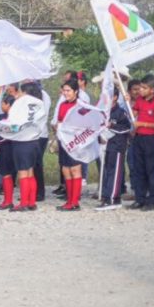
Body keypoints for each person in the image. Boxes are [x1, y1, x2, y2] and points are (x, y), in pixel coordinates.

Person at [0, 82, 46, 212]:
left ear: (25, 92)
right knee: (30, 172)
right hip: (34, 141)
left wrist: (0, 128)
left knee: (23, 173)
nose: (18, 95)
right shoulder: (39, 104)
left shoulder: (22, 104)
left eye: (20, 92)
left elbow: (14, 124)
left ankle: (23, 203)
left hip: (22, 142)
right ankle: (31, 202)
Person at [130, 74, 154, 211]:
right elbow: (134, 113)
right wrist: (130, 105)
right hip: (138, 137)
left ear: (152, 89)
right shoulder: (139, 99)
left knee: (151, 169)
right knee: (139, 169)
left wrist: (143, 123)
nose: (140, 91)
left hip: (150, 139)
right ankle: (140, 199)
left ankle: (152, 200)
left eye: (144, 88)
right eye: (140, 88)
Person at [97, 89, 131, 211]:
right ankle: (108, 196)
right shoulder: (102, 112)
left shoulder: (120, 112)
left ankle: (112, 198)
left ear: (115, 97)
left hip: (117, 146)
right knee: (107, 172)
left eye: (109, 97)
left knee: (115, 172)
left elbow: (127, 128)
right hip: (105, 147)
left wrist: (112, 126)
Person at [56, 79, 85, 211]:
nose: (65, 93)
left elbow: (84, 124)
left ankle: (75, 202)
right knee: (65, 170)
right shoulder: (62, 105)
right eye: (64, 90)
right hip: (64, 140)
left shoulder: (80, 105)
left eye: (68, 91)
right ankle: (69, 200)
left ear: (76, 91)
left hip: (75, 141)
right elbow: (60, 120)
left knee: (75, 170)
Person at [0, 95, 17, 211]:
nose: (1, 106)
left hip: (9, 147)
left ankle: (8, 201)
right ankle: (7, 200)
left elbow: (11, 132)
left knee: (7, 174)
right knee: (5, 174)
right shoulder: (4, 116)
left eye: (3, 104)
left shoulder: (14, 118)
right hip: (4, 147)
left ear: (8, 105)